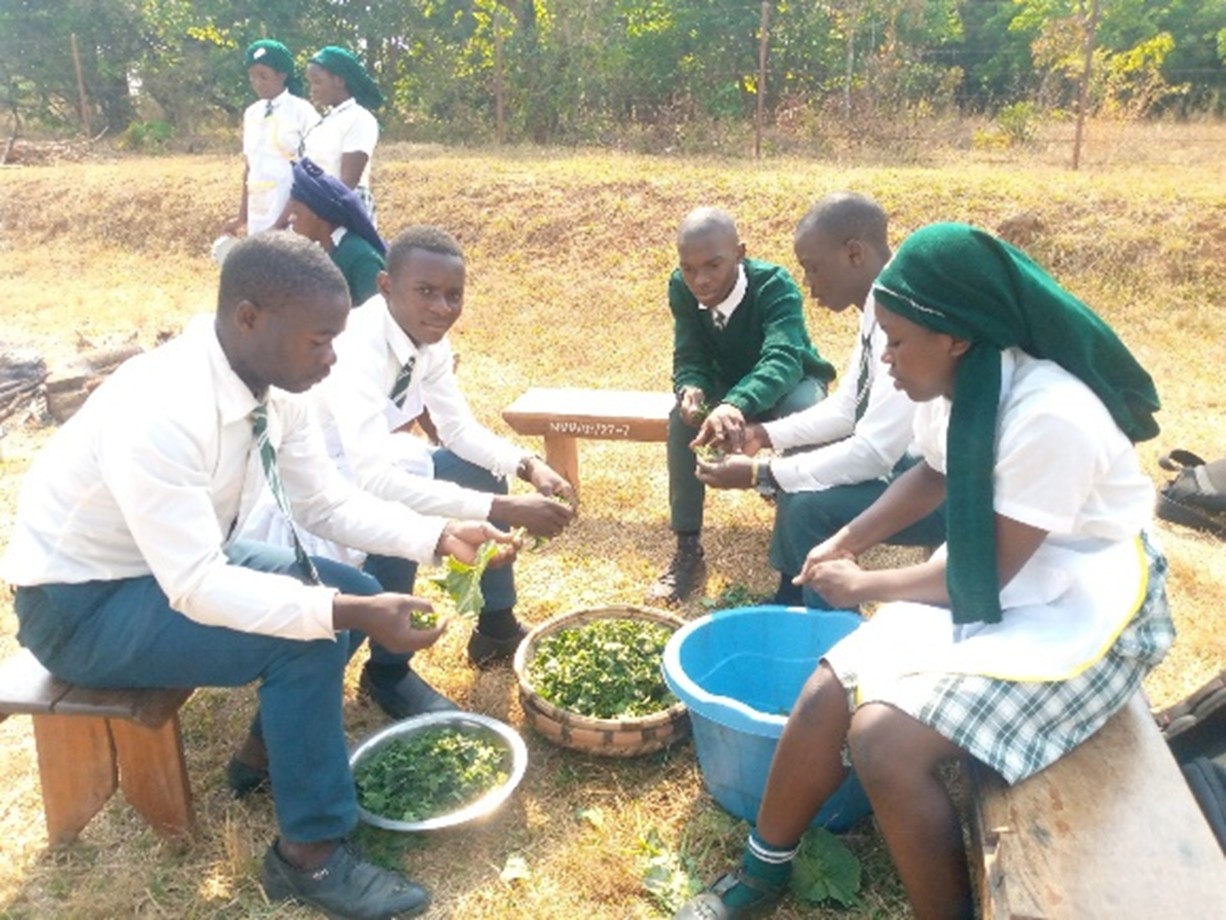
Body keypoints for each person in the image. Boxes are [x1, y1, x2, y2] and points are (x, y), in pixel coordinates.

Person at [1, 232, 509, 920]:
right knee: (308, 632)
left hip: (173, 561)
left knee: (350, 593)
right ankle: (311, 856)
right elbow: (197, 588)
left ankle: (272, 748)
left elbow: (324, 501)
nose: (333, 359)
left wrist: (437, 537)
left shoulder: (276, 380)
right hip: (80, 606)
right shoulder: (160, 410)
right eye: (320, 342)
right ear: (249, 317)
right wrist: (344, 615)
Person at [675, 222, 1174, 920]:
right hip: (1005, 567)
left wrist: (868, 584)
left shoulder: (1053, 416)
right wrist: (847, 539)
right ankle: (764, 867)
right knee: (826, 690)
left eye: (897, 341)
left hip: (1088, 605)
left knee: (882, 742)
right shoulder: (955, 382)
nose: (885, 357)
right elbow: (933, 477)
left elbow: (989, 574)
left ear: (958, 336)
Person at [309, 225, 578, 690]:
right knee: (403, 509)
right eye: (427, 292)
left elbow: (457, 430)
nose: (442, 308)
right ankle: (388, 672)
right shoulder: (359, 348)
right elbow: (373, 480)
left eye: (454, 295)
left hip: (377, 462)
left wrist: (529, 466)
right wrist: (506, 508)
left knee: (479, 470)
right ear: (386, 286)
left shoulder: (426, 337)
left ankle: (495, 629)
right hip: (323, 487)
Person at [696, 193, 944, 606]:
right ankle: (794, 597)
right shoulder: (878, 305)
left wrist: (762, 473)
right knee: (802, 484)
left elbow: (873, 452)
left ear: (853, 254)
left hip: (954, 490)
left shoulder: (906, 314)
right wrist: (764, 433)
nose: (809, 285)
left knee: (810, 504)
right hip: (922, 465)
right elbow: (850, 404)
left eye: (813, 268)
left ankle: (830, 635)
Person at [648, 206, 836, 605]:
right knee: (682, 421)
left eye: (713, 265)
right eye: (689, 268)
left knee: (806, 415)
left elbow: (783, 358)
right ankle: (687, 549)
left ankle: (798, 560)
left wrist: (736, 403)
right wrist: (692, 388)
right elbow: (690, 354)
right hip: (729, 388)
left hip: (790, 381)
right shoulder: (681, 288)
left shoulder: (774, 284)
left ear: (740, 253)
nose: (700, 279)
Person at [220, 40, 319, 237]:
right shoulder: (252, 114)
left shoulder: (302, 111)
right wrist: (242, 217)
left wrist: (282, 222)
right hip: (259, 208)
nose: (257, 83)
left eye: (263, 76)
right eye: (252, 77)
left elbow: (312, 171)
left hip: (290, 211)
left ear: (282, 75)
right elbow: (250, 168)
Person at [287, 157, 386, 306]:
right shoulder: (320, 251)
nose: (290, 219)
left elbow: (377, 316)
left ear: (316, 213)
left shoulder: (360, 258)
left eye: (296, 212)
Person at [301, 46, 383, 218]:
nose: (313, 89)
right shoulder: (324, 122)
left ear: (339, 80)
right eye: (310, 83)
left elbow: (348, 183)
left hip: (343, 209)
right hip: (318, 207)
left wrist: (320, 215)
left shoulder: (359, 119)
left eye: (318, 81)